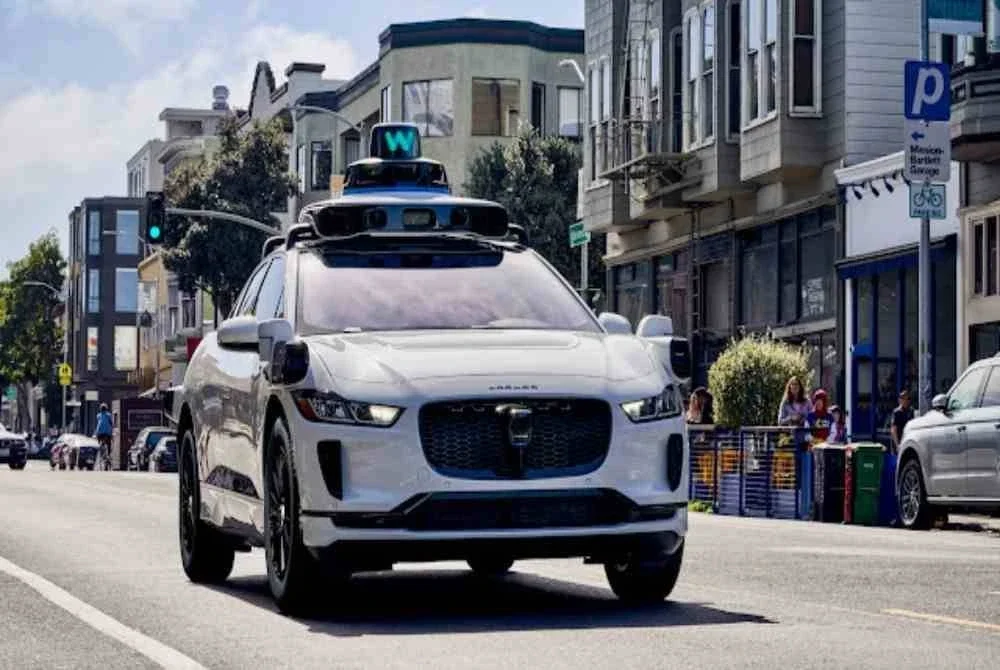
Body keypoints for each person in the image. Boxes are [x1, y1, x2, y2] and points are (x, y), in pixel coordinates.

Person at [890, 389, 914, 454]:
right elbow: (893, 429)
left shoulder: (911, 411)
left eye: (908, 399)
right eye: (904, 399)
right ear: (900, 400)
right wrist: (897, 444)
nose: (906, 401)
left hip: (908, 441)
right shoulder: (896, 412)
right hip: (898, 442)